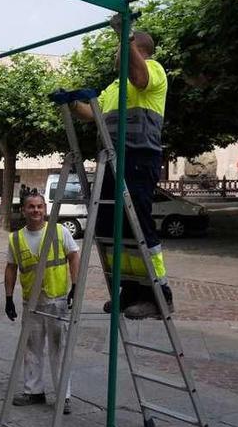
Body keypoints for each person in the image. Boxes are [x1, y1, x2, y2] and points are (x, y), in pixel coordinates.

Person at [68, 18, 172, 320]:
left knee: (137, 223)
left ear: (138, 48)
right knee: (108, 228)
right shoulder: (114, 85)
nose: (117, 55)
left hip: (139, 157)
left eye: (122, 49)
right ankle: (128, 291)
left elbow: (140, 79)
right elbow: (92, 113)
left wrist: (123, 36)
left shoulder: (152, 69)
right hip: (112, 160)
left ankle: (158, 295)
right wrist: (73, 103)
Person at [5, 192, 80, 415]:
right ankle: (34, 391)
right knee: (31, 349)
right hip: (32, 302)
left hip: (57, 299)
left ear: (45, 209)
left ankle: (63, 396)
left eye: (39, 207)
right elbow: (11, 267)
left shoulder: (59, 231)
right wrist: (8, 297)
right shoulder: (16, 238)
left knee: (60, 349)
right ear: (23, 210)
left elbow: (74, 255)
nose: (36, 211)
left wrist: (75, 285)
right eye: (31, 207)